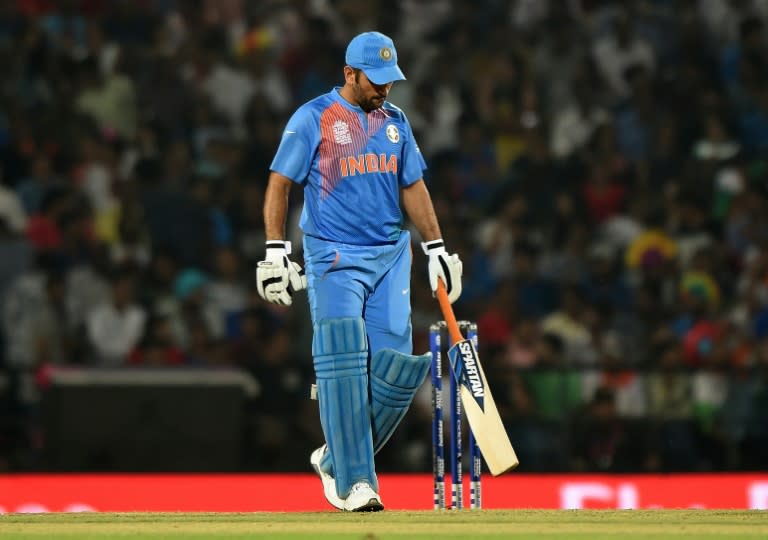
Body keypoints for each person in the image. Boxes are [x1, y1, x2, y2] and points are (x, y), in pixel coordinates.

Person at [255, 31, 463, 511]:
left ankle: (336, 457)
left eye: (392, 80)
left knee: (398, 373)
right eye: (377, 80)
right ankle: (355, 484)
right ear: (349, 73)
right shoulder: (313, 118)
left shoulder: (396, 121)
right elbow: (279, 182)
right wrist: (274, 250)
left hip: (392, 255)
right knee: (343, 358)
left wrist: (436, 247)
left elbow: (413, 185)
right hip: (333, 255)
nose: (385, 89)